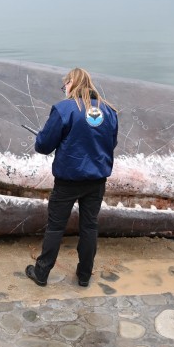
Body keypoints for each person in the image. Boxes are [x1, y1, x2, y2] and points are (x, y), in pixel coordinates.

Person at [25, 68, 118, 288]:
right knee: (89, 227)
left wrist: (41, 139)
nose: (64, 88)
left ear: (71, 83)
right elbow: (110, 144)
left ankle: (42, 273)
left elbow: (44, 146)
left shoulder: (64, 109)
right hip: (97, 181)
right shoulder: (109, 111)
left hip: (68, 181)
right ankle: (84, 275)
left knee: (56, 227)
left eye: (65, 84)